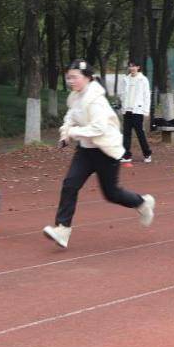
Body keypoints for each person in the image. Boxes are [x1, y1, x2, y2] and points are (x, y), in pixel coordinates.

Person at [42, 60, 155, 249]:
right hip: (85, 151)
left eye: (75, 77)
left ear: (87, 78)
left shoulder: (96, 100)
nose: (71, 81)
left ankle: (142, 203)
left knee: (111, 194)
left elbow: (98, 128)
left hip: (105, 151)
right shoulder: (76, 96)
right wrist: (65, 133)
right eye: (69, 77)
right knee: (70, 184)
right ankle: (63, 229)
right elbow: (70, 117)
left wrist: (73, 132)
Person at [119, 59, 152, 164]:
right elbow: (122, 93)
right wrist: (123, 105)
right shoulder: (125, 79)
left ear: (138, 67)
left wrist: (146, 111)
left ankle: (147, 154)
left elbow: (147, 96)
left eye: (134, 66)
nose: (132, 68)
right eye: (130, 66)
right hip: (127, 110)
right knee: (126, 134)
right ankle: (126, 155)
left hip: (138, 111)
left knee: (140, 133)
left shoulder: (143, 79)